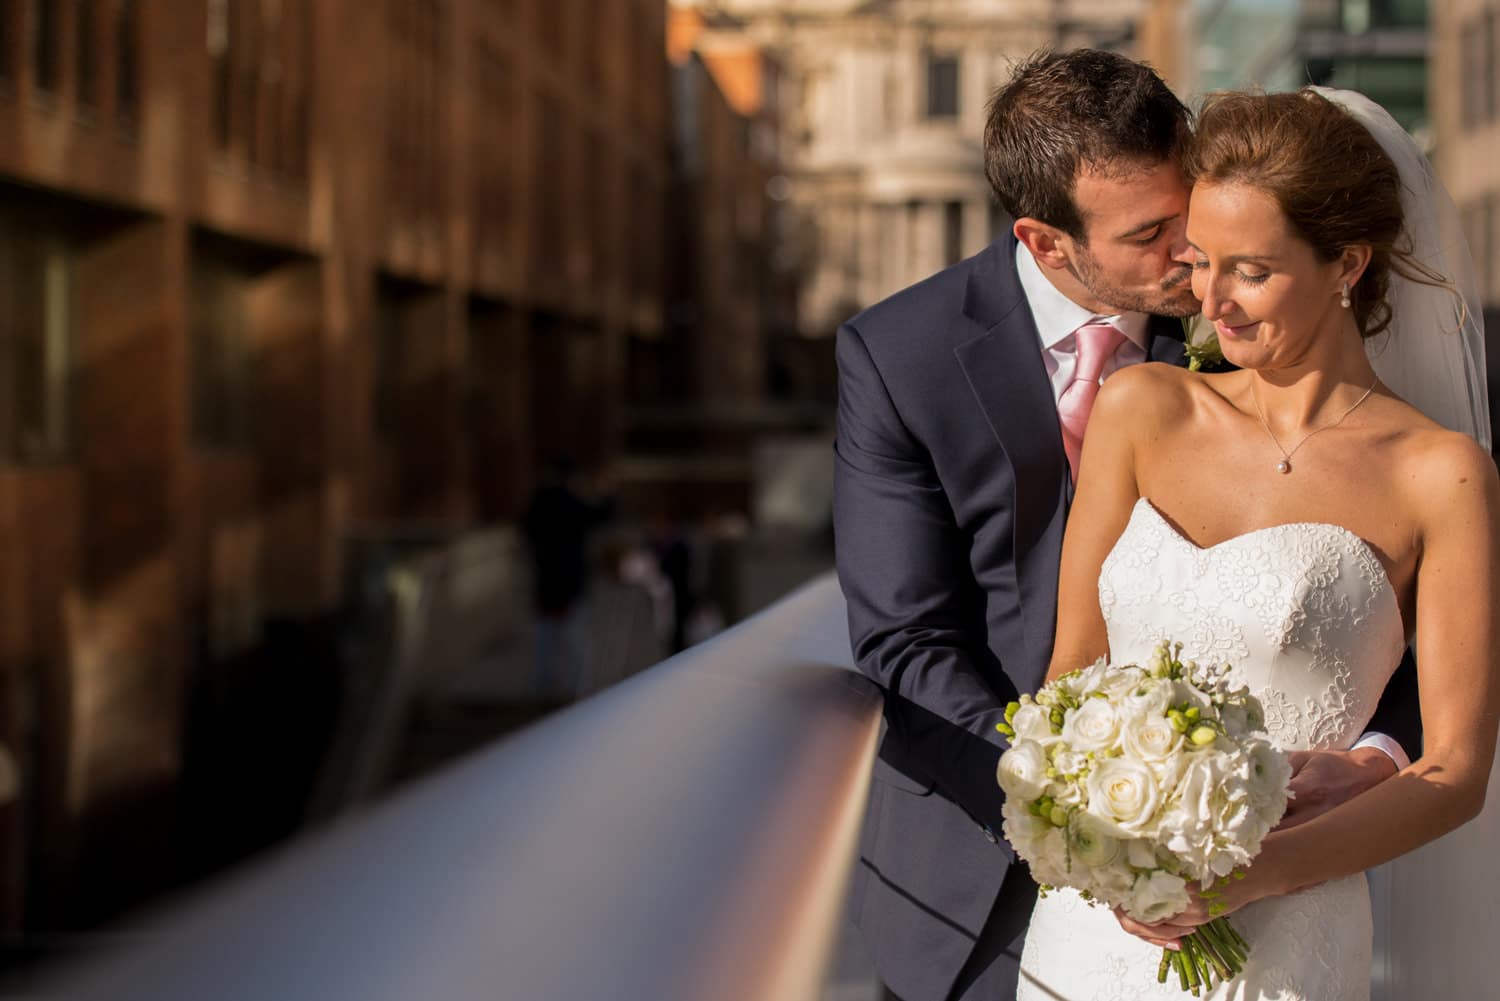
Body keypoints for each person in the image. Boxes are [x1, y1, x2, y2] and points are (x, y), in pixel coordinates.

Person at [834, 51, 1421, 1001]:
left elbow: (1395, 584)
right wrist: (1080, 805)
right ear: (1047, 241)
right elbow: (905, 635)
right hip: (968, 878)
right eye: (1154, 234)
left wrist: (1372, 757)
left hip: (1258, 867)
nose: (1194, 255)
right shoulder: (898, 356)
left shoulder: (1268, 320)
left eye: (1191, 213)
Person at [1015, 88, 1498, 999]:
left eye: (1252, 270)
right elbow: (1070, 676)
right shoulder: (1140, 407)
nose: (1213, 303)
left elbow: (1455, 771)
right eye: (1201, 263)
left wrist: (1248, 878)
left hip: (1290, 943)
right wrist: (1106, 852)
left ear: (1347, 262)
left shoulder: (1442, 474)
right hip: (1090, 937)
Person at [521, 455, 615, 698]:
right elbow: (603, 515)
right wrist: (606, 491)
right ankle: (576, 693)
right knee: (575, 643)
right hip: (572, 583)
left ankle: (541, 692)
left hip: (546, 583)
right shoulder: (574, 502)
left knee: (544, 644)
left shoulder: (539, 501)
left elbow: (525, 533)